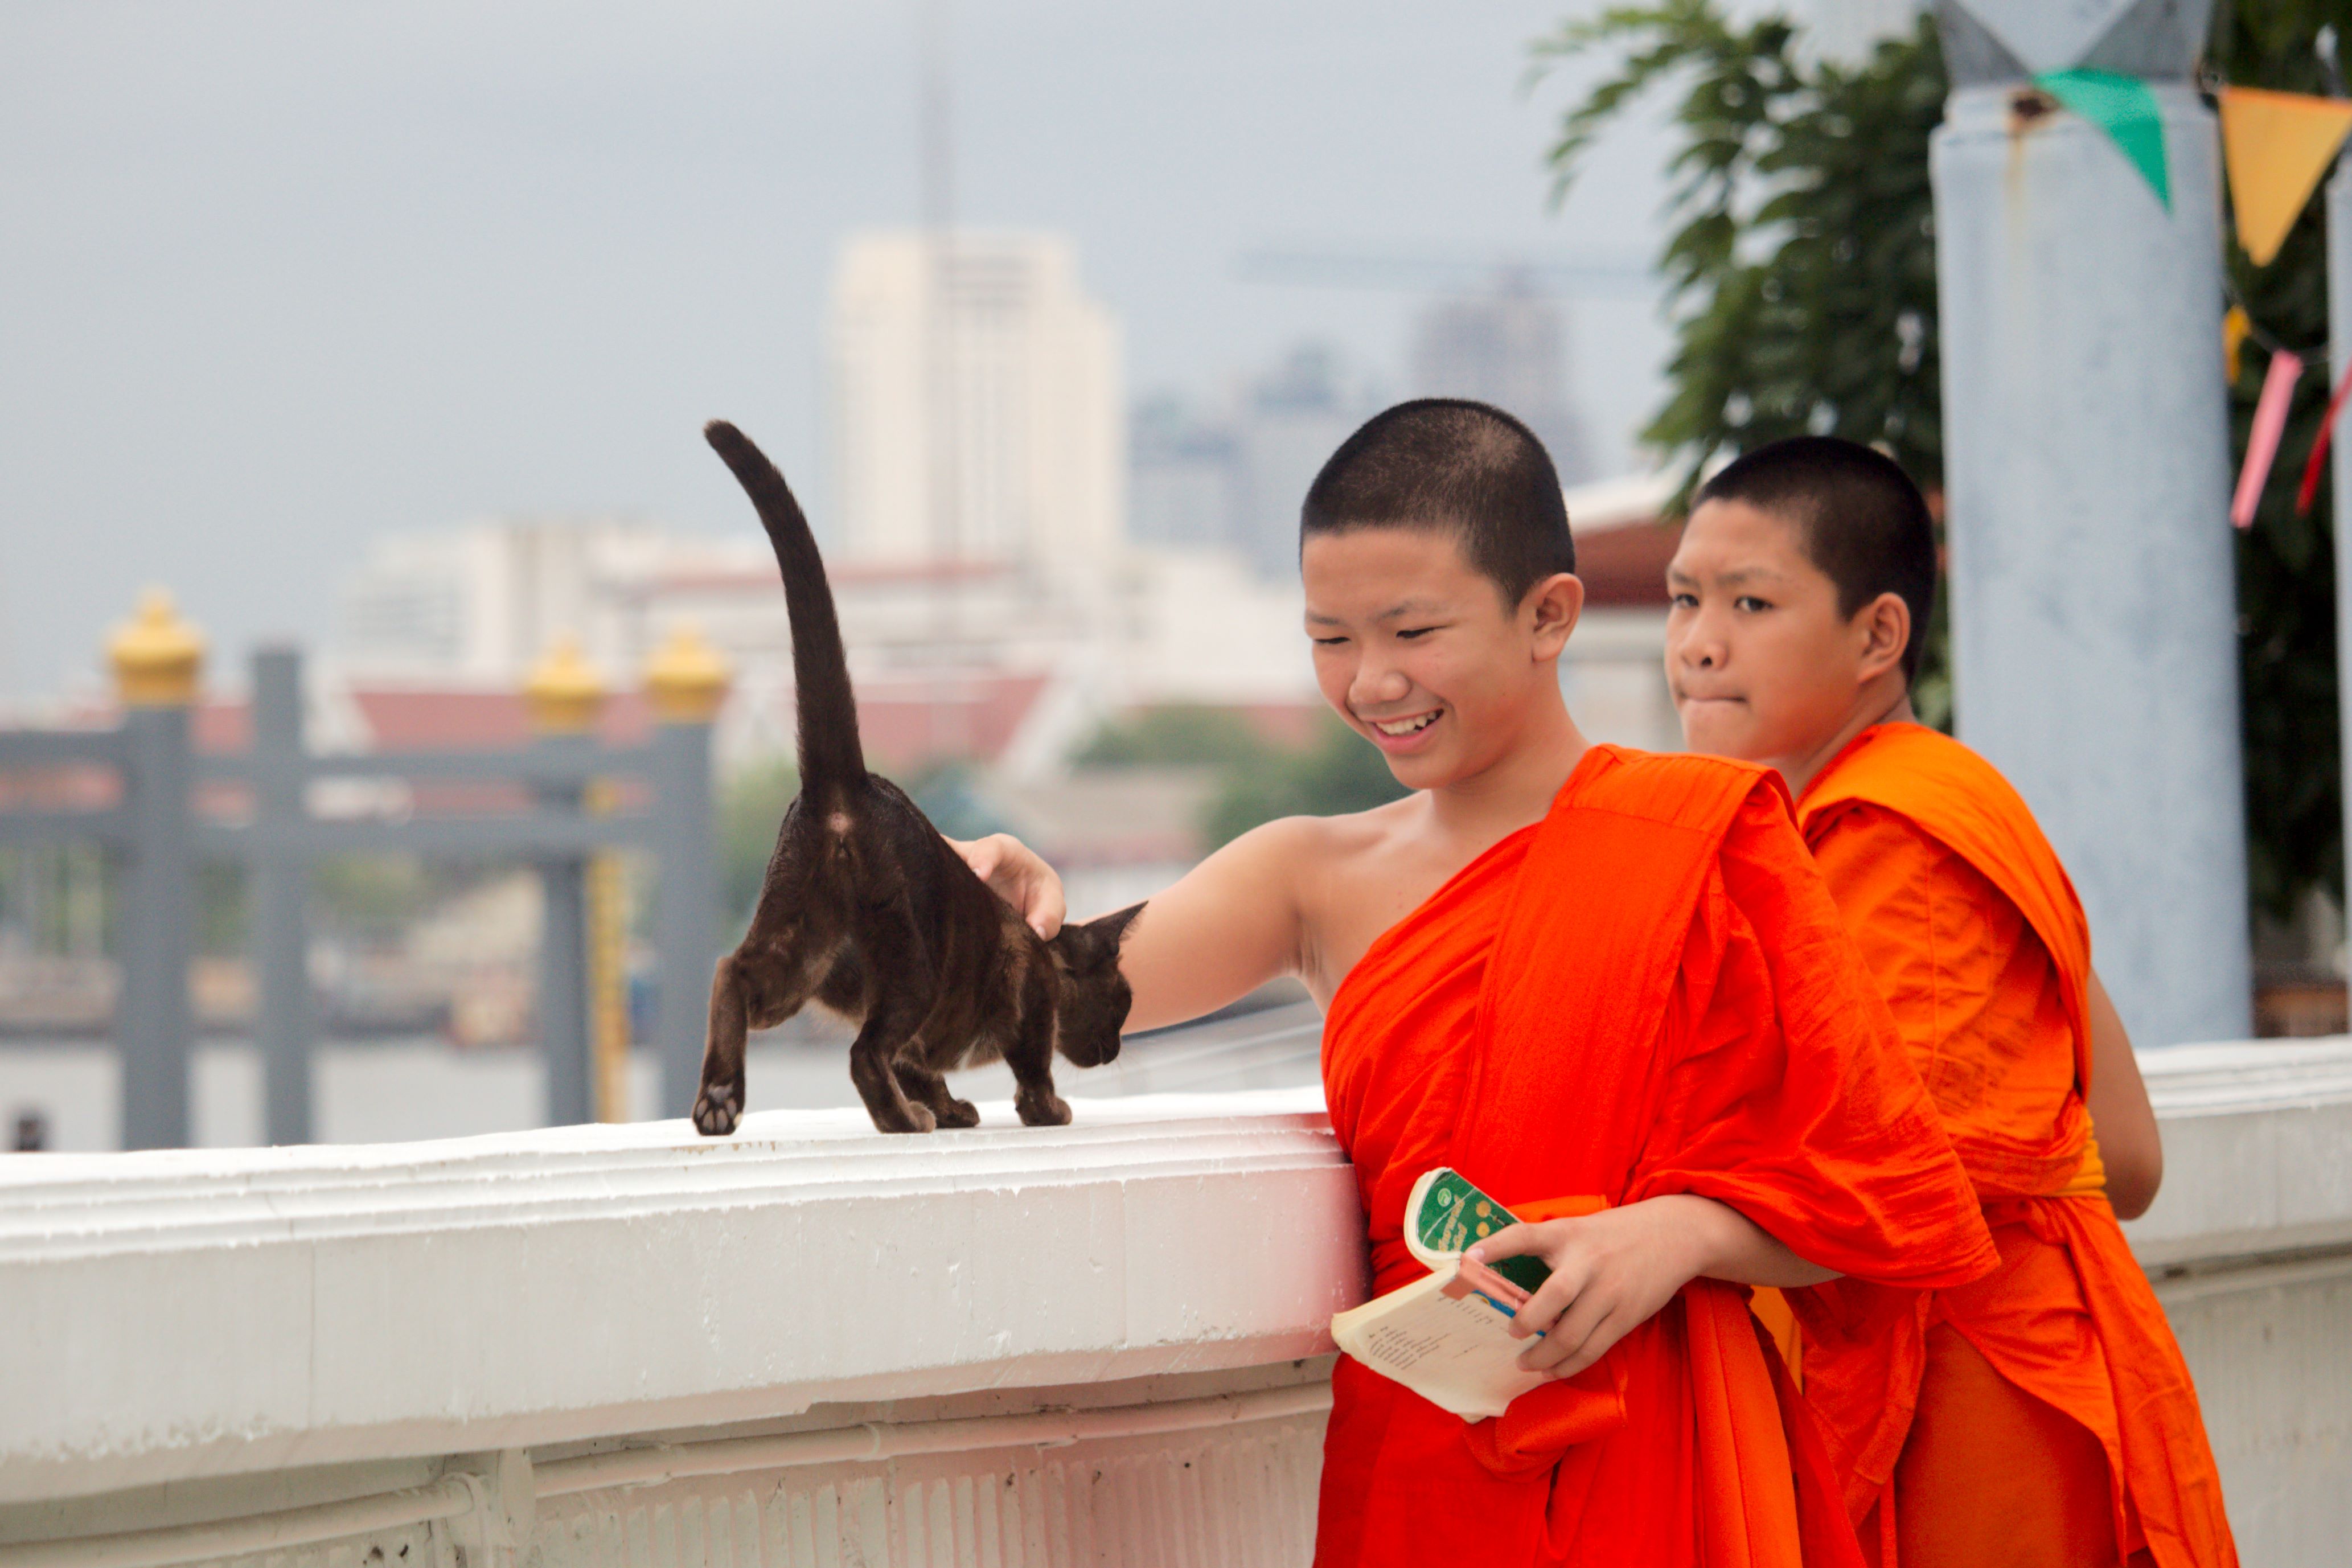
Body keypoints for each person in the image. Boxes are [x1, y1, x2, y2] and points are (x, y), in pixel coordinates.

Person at [961, 399, 1997, 1567]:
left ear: (1547, 613)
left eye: (1411, 632)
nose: (1368, 683)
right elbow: (1020, 1011)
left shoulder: (1703, 840)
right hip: (1428, 1449)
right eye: (1329, 638)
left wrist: (1679, 1233)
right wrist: (958, 914)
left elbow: (1887, 1193)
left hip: (1669, 1452)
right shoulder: (1309, 875)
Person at [1663, 436, 2238, 1568]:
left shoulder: (1894, 832)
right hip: (1996, 1360)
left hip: (1976, 1397)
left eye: (1749, 602)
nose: (1695, 645)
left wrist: (1657, 1235)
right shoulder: (1946, 808)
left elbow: (1892, 1190)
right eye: (1684, 599)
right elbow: (2125, 1162)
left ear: (1877, 634)